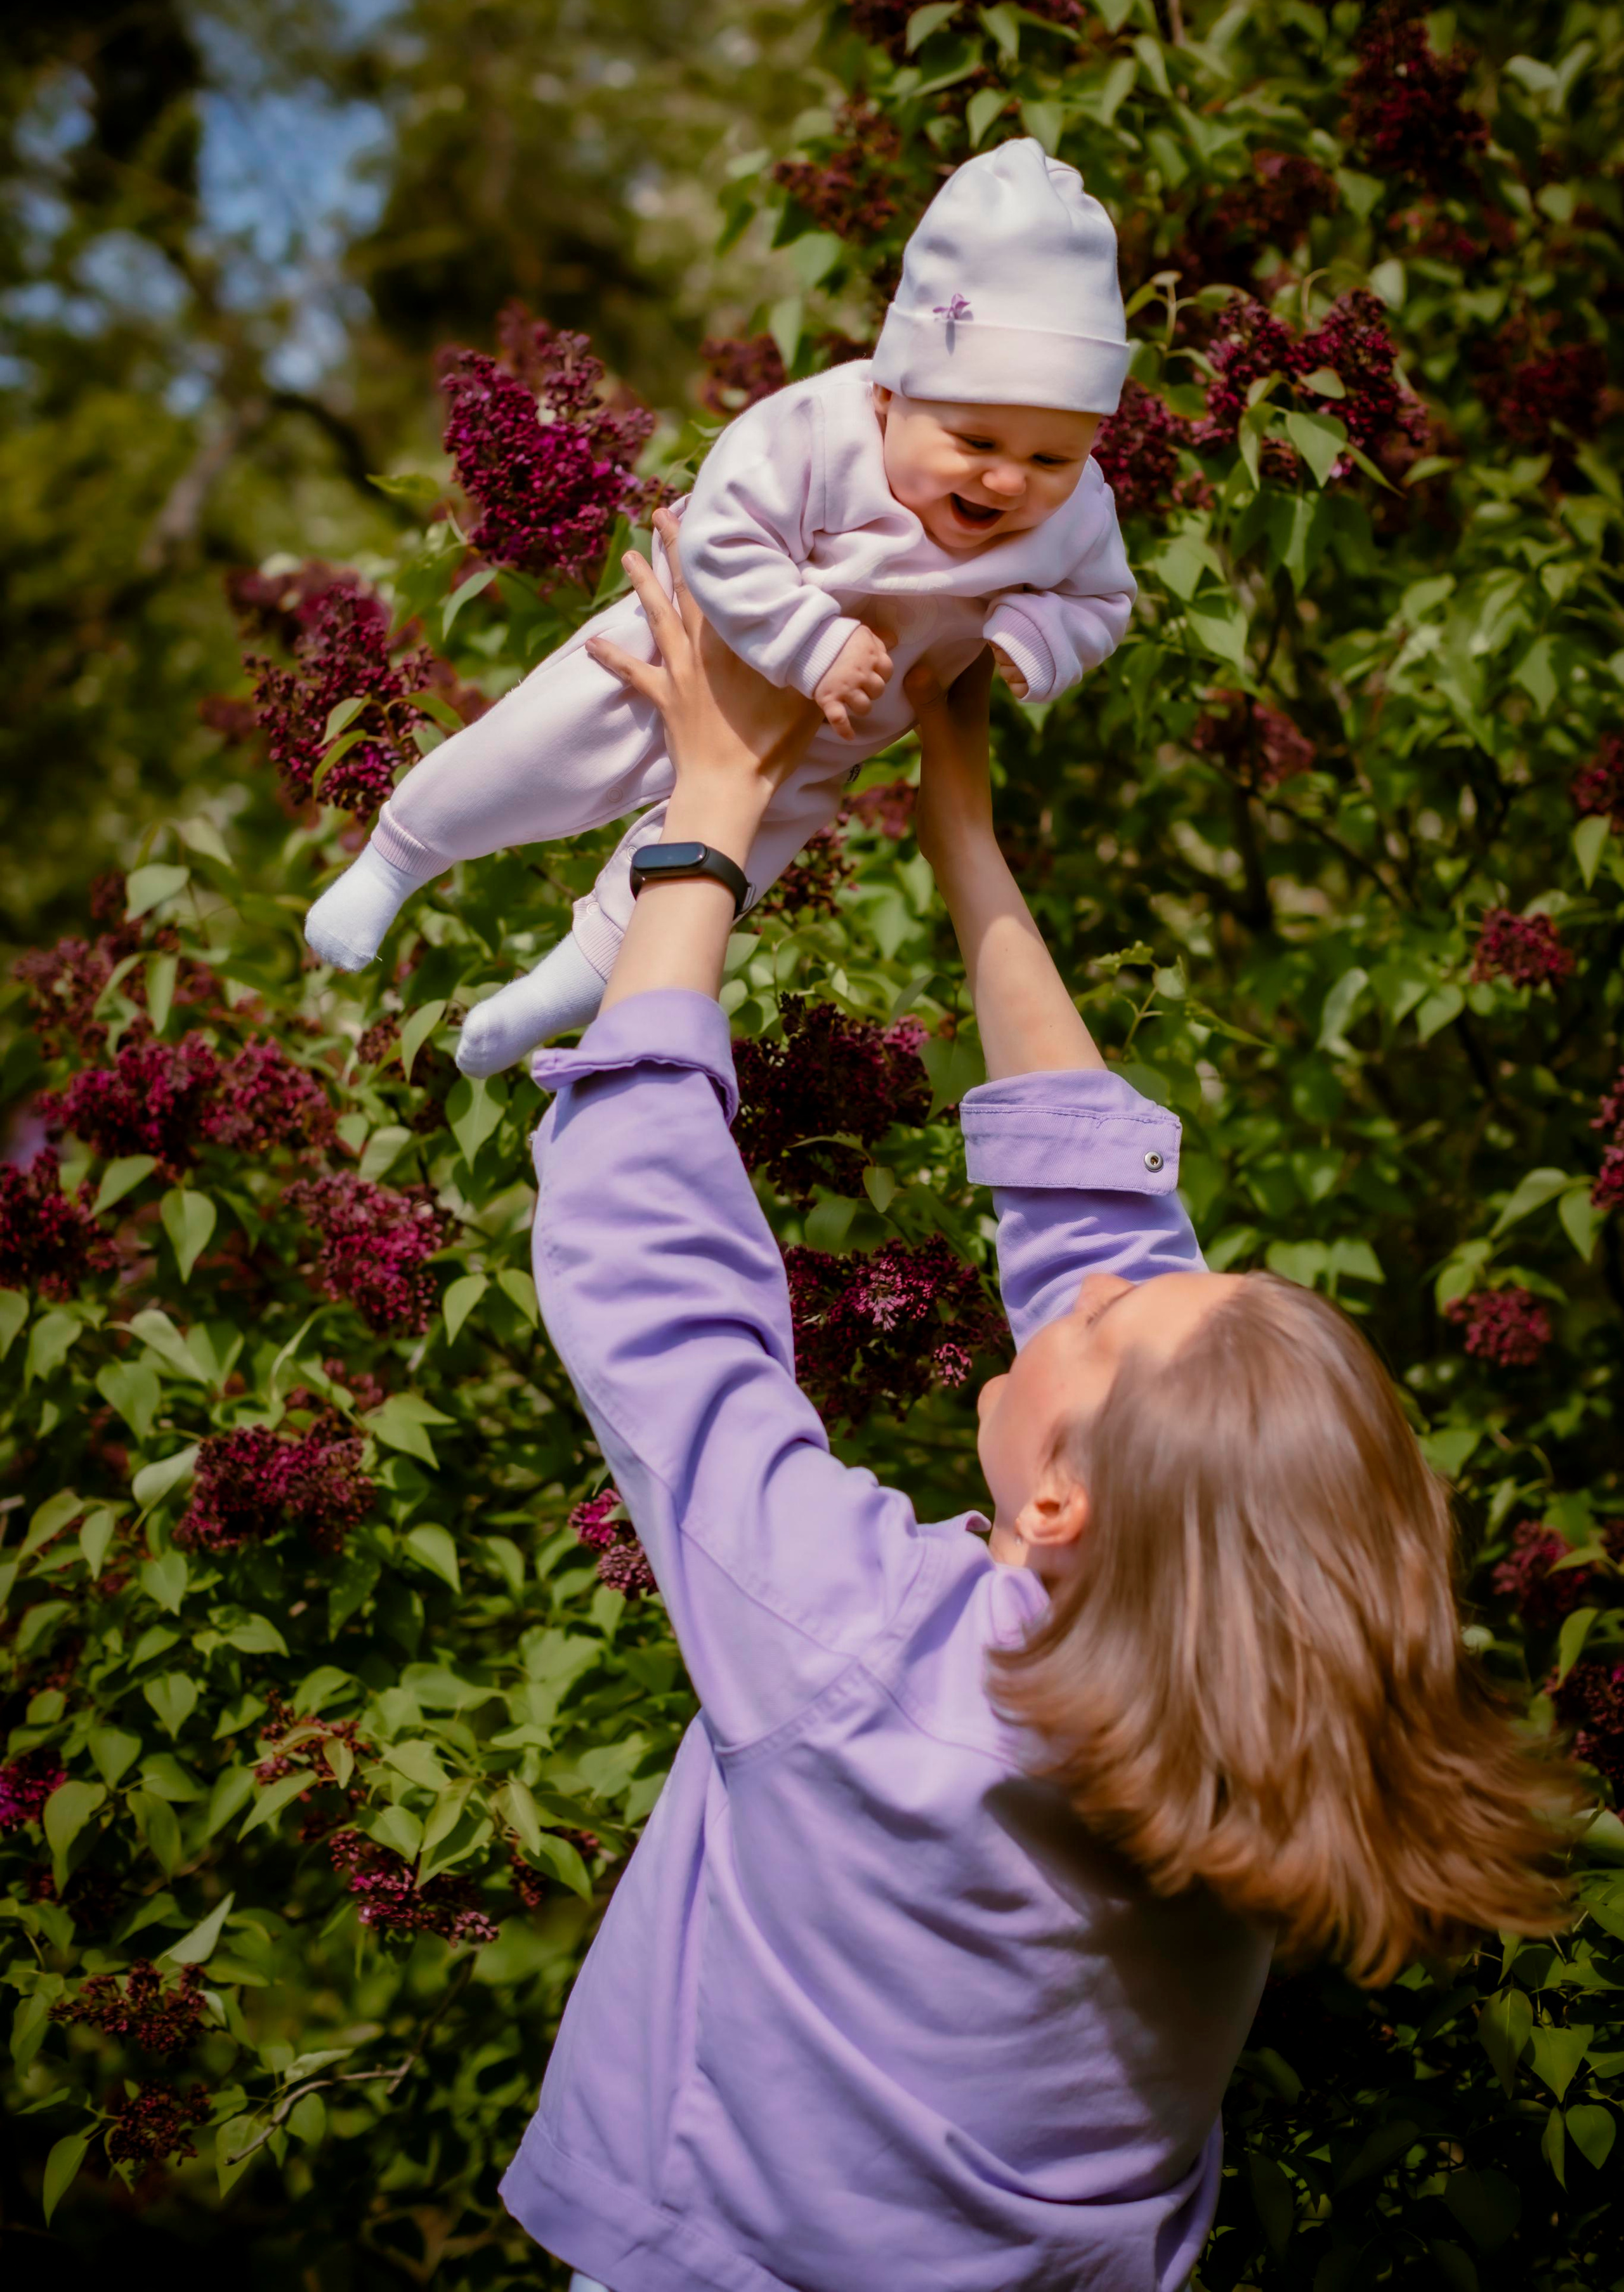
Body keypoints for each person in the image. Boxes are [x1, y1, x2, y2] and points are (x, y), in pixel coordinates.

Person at [501, 522, 1568, 2292]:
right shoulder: (1259, 1733)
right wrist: (966, 841)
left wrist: (697, 823)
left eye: (1119, 1317)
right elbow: (1106, 1230)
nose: (1099, 1280)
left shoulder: (862, 1659)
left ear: (1061, 1500)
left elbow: (653, 1284)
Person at [303, 140, 1136, 1075]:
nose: (1006, 478)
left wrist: (1036, 638)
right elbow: (721, 542)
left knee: (725, 870)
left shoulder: (1081, 512)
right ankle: (398, 858)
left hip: (831, 734)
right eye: (976, 438)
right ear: (889, 390)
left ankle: (553, 994)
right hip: (699, 655)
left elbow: (1103, 600)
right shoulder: (817, 432)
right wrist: (814, 641)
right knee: (536, 749)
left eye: (1050, 459)